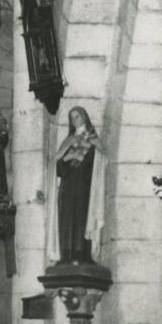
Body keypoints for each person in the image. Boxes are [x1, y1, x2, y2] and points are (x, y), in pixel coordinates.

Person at [49, 106, 105, 264]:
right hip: (68, 185)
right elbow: (57, 166)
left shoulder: (93, 138)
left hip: (84, 185)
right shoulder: (69, 140)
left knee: (82, 216)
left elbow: (100, 160)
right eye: (72, 118)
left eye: (77, 117)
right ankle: (66, 254)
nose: (75, 120)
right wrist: (69, 157)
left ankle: (83, 255)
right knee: (66, 218)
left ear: (85, 117)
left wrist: (87, 154)